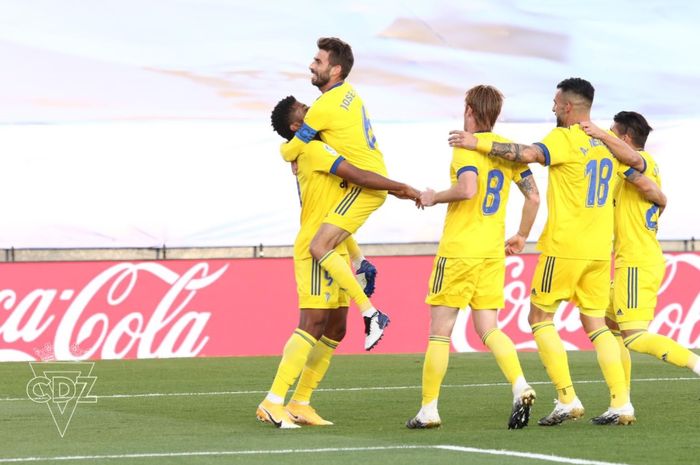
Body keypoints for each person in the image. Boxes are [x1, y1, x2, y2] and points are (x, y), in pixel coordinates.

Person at [448, 78, 664, 426]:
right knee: (597, 325)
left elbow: (528, 154)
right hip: (598, 251)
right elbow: (639, 167)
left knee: (539, 318)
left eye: (554, 102)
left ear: (567, 107)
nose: (552, 108)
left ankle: (566, 398)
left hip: (564, 247)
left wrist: (479, 144)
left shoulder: (563, 138)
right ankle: (622, 402)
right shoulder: (606, 143)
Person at [256, 95, 419, 429]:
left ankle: (301, 402)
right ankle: (273, 401)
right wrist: (400, 187)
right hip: (315, 249)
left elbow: (335, 212)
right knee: (312, 323)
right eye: (306, 111)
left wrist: (357, 256)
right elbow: (357, 175)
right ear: (296, 127)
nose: (313, 111)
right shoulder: (313, 150)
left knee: (335, 328)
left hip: (334, 245)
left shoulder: (313, 148)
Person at [405, 85, 540, 430]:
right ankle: (520, 384)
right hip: (492, 253)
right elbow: (534, 198)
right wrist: (522, 235)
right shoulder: (505, 151)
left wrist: (434, 196)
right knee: (489, 328)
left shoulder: (465, 147)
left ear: (469, 109)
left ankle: (429, 409)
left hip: (459, 251)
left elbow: (467, 189)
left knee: (440, 332)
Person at [280, 37, 392, 350]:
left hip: (366, 182)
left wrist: (286, 151)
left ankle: (371, 313)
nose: (312, 65)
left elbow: (292, 149)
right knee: (331, 226)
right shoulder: (350, 95)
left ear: (336, 69)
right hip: (369, 177)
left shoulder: (321, 110)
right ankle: (362, 265)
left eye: (318, 61)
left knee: (319, 244)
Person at [580, 112, 700, 392]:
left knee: (634, 336)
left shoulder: (638, 163)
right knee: (607, 324)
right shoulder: (632, 172)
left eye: (612, 133)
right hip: (632, 259)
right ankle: (621, 400)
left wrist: (598, 134)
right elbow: (657, 197)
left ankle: (696, 363)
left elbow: (646, 181)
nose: (606, 136)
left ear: (624, 138)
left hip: (636, 261)